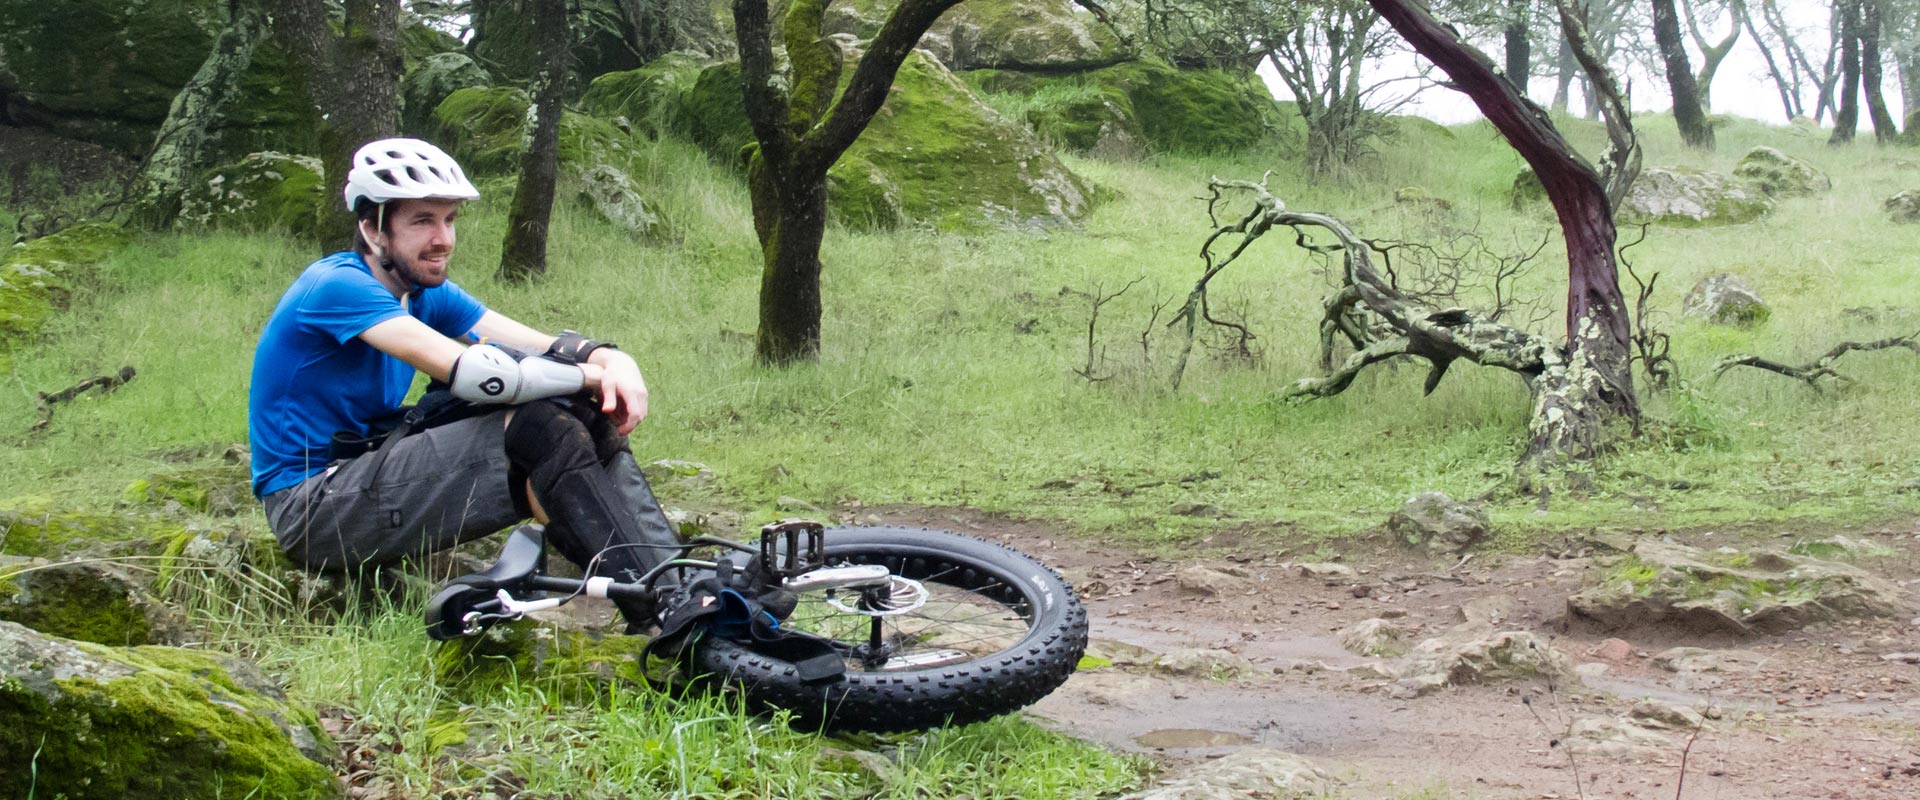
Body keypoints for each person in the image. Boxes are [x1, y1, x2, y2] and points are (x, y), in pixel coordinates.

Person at [248, 137, 680, 630]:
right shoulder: (335, 287)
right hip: (312, 508)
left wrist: (611, 358)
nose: (443, 239)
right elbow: (485, 376)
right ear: (371, 228)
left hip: (367, 466)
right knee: (541, 424)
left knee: (581, 415)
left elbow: (541, 345)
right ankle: (664, 609)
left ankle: (678, 586)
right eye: (422, 221)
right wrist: (589, 375)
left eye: (449, 220)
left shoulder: (422, 291)